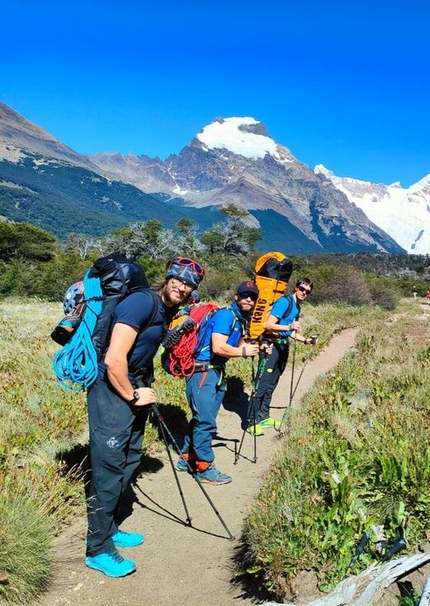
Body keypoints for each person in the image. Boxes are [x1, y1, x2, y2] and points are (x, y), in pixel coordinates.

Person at [85, 256, 205, 578]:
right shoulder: (141, 302)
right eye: (178, 280)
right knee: (109, 469)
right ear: (167, 278)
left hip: (134, 386)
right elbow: (113, 359)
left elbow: (145, 352)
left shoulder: (167, 312)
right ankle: (97, 549)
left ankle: (109, 527)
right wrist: (132, 394)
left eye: (189, 284)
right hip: (112, 391)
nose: (182, 287)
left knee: (131, 457)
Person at [177, 280, 264, 485]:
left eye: (252, 297)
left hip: (215, 373)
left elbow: (239, 343)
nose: (248, 299)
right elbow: (218, 347)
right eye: (244, 295)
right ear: (236, 296)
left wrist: (256, 347)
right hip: (203, 372)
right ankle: (204, 467)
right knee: (205, 420)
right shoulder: (226, 315)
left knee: (203, 418)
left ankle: (187, 457)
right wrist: (244, 352)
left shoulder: (240, 319)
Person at [247, 278, 315, 436]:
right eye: (302, 289)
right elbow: (268, 325)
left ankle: (263, 416)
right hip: (271, 345)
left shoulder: (297, 307)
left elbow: (290, 332)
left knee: (272, 384)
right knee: (262, 383)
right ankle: (250, 421)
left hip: (283, 346)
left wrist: (305, 340)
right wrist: (289, 326)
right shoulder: (285, 302)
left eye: (308, 291)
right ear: (296, 287)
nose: (304, 293)